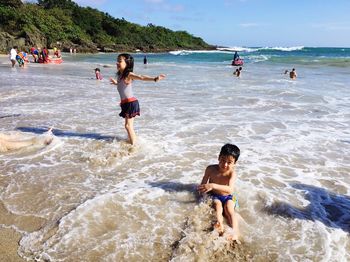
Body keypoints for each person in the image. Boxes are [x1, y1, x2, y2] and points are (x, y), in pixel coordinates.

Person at [110, 53, 165, 145]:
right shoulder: (121, 75)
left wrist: (155, 79)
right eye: (117, 61)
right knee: (129, 126)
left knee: (128, 126)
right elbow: (122, 86)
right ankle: (133, 140)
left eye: (120, 61)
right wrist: (116, 83)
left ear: (127, 63)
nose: (117, 63)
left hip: (130, 103)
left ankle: (133, 146)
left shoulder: (128, 74)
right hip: (126, 103)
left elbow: (141, 77)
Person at [198, 143, 241, 241]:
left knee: (229, 208)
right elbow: (203, 184)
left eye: (229, 162)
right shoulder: (210, 169)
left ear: (234, 163)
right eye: (222, 160)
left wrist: (212, 185)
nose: (225, 164)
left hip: (229, 196)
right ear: (218, 158)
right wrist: (202, 192)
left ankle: (235, 233)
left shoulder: (232, 173)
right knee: (217, 206)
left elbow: (230, 189)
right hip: (215, 195)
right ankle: (220, 225)